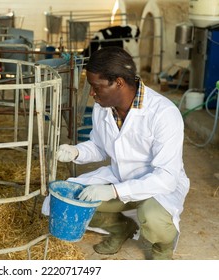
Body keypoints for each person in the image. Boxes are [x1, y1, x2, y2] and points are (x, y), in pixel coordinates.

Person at [56, 46, 190, 260]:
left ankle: (162, 248)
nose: (91, 93)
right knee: (72, 201)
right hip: (119, 176)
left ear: (118, 82)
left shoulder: (164, 113)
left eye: (96, 86)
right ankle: (121, 228)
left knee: (153, 218)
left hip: (156, 187)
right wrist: (76, 152)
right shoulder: (103, 107)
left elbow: (166, 177)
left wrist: (114, 192)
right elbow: (99, 146)